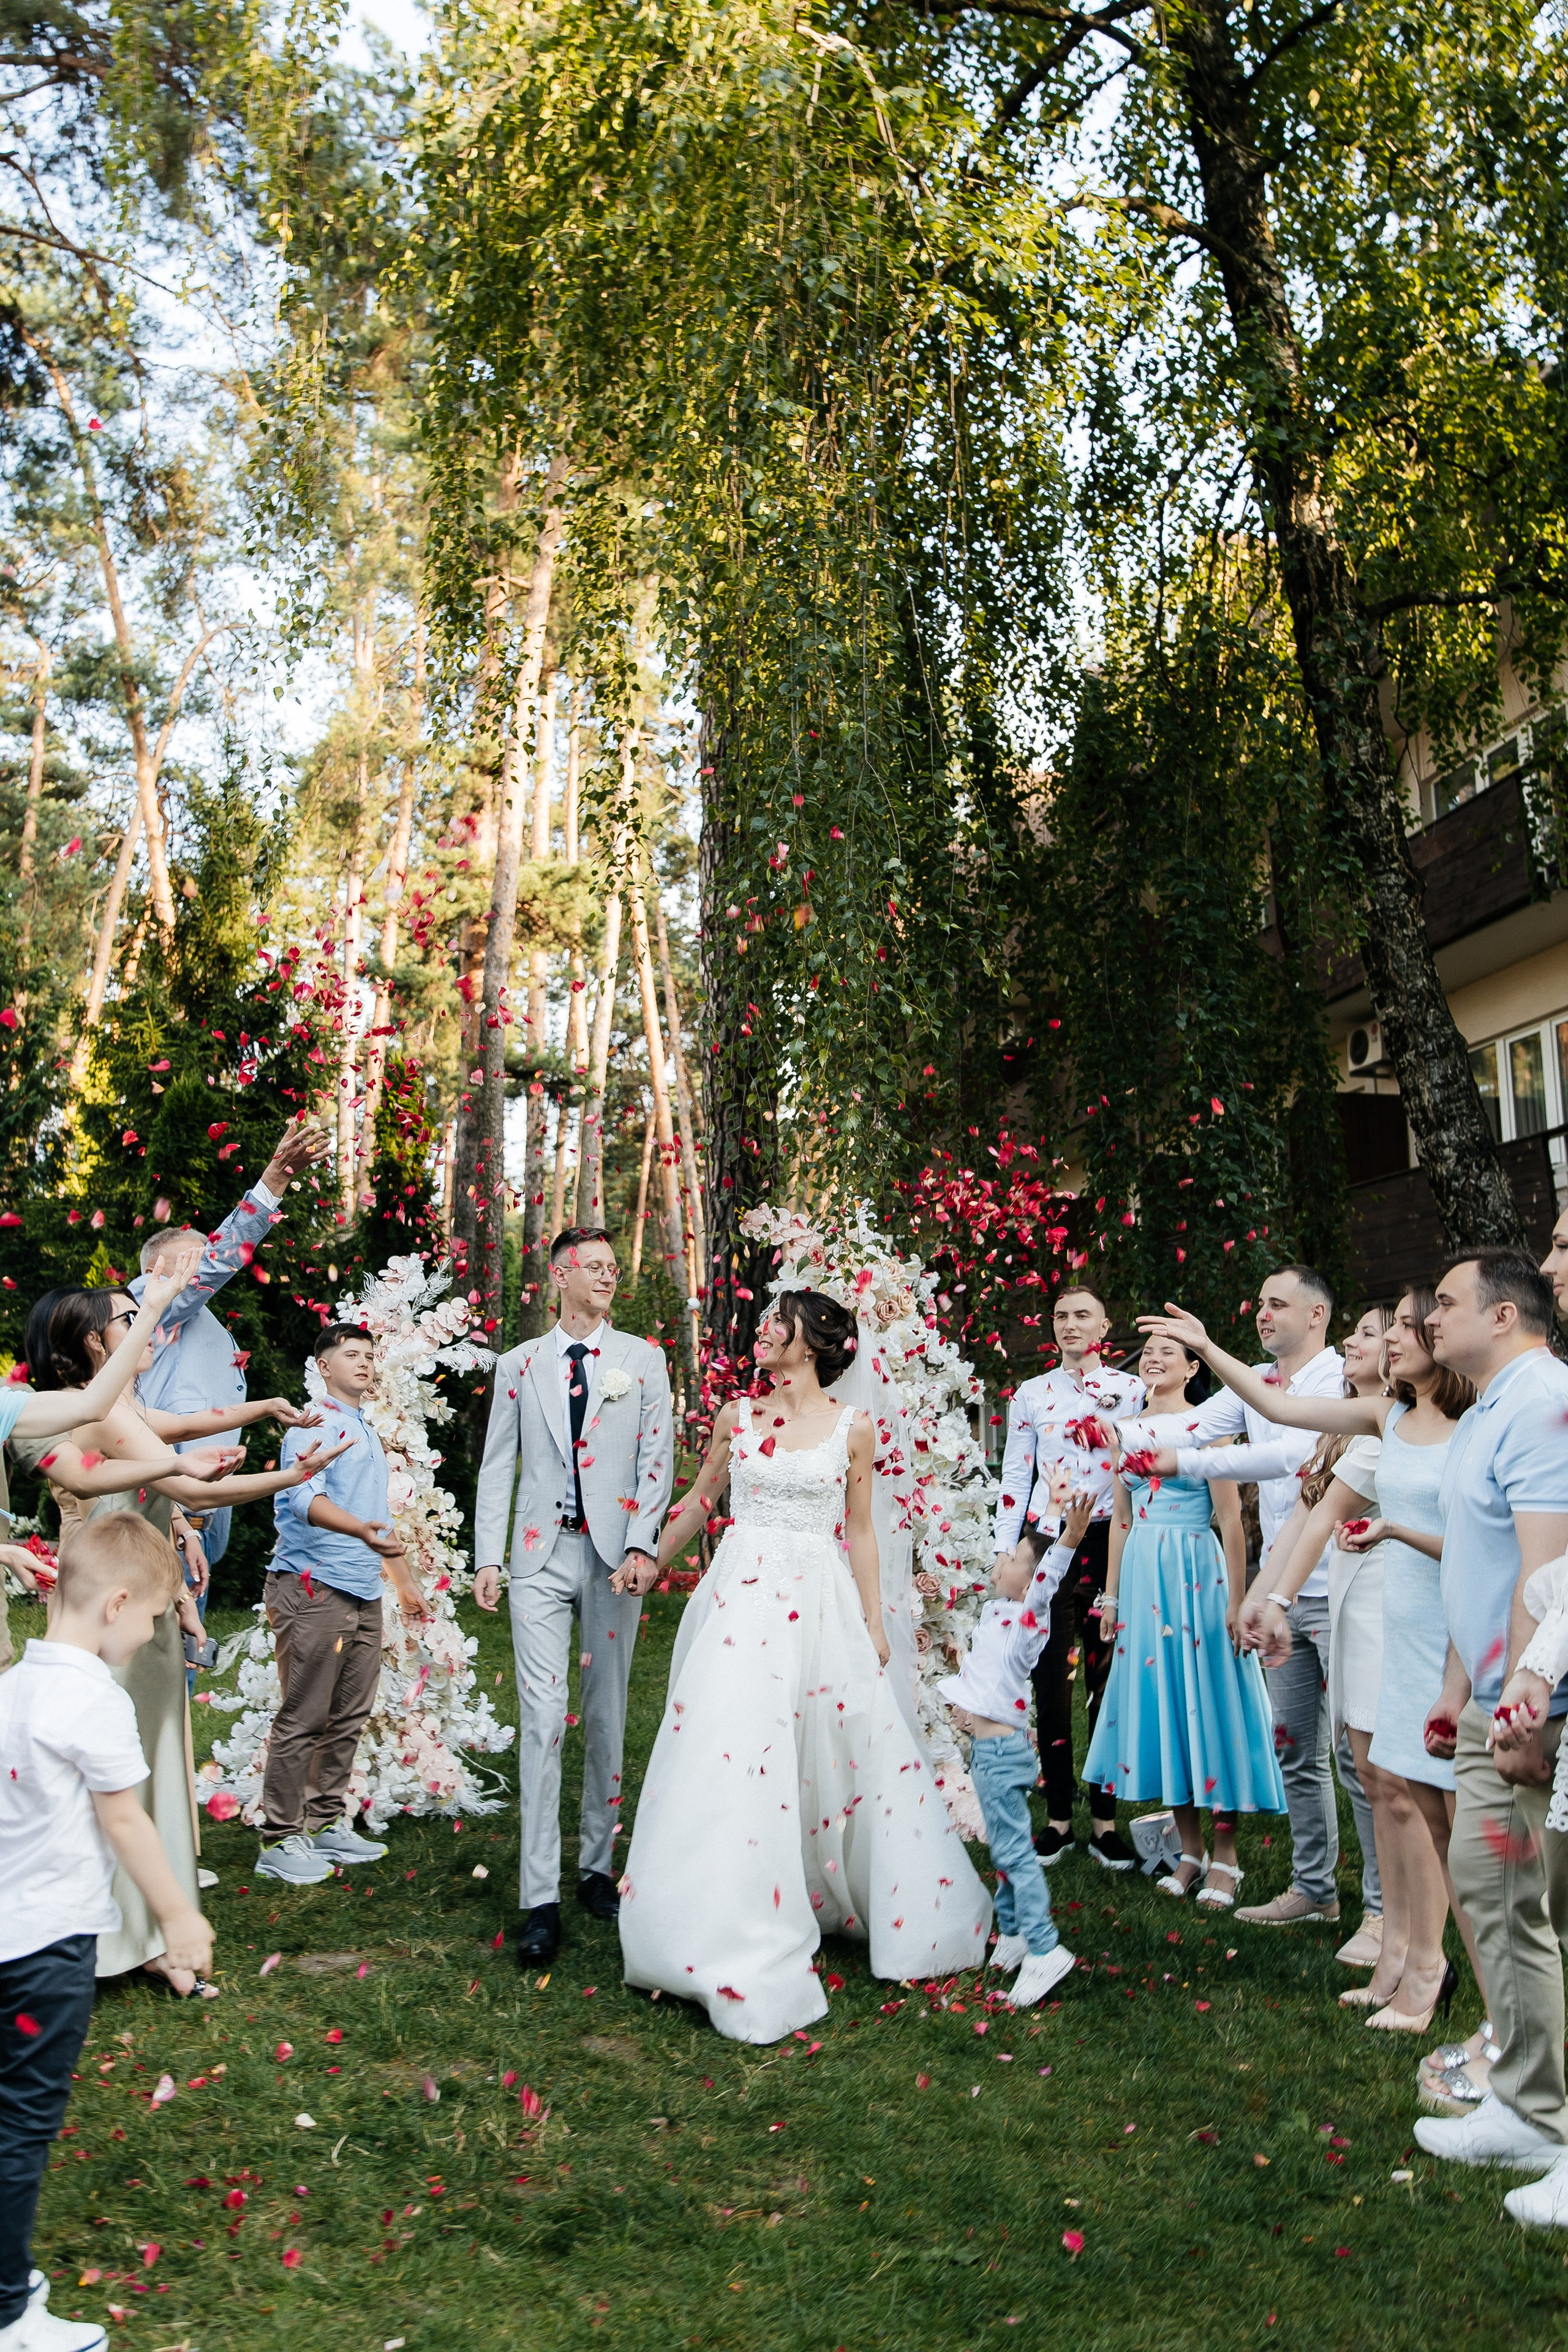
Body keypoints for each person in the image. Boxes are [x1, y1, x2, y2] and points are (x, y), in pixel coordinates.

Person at [619, 1289, 992, 2043]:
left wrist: (872, 1620)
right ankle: (719, 1910)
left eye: (776, 1320)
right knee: (730, 1746)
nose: (762, 1331)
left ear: (815, 1340)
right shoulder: (737, 1416)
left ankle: (839, 1891)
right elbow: (700, 1499)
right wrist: (650, 1559)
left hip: (819, 1604)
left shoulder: (854, 1429)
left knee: (833, 1750)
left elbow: (859, 1530)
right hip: (742, 1602)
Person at [13, 1287, 352, 1991]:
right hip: (115, 1605)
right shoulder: (101, 1408)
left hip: (141, 1595)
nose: (145, 1329)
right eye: (128, 1321)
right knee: (123, 1771)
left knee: (150, 1762)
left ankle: (142, 1937)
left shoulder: (123, 1405)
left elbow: (202, 1423)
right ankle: (131, 1941)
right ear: (94, 1345)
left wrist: (262, 1410)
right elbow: (190, 1487)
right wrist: (291, 1476)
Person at [1222, 1296, 1480, 2033]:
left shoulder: (1475, 1424)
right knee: (1390, 1792)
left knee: (1419, 1801)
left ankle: (1427, 1961)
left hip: (1440, 1629)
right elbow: (1280, 1407)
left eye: (1403, 1324)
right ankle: (1399, 1952)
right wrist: (1209, 1349)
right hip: (1390, 1618)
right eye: (1389, 1325)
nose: (1395, 1337)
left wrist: (1395, 1530)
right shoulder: (1386, 1418)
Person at [0, 1512, 214, 2352]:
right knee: (21, 2123)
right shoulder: (95, 1699)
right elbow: (126, 1824)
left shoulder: (14, 1682)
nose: (157, 1628)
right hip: (46, 1951)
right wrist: (180, 1917)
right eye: (157, 1615)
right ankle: (9, 2311)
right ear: (118, 1604)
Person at [1137, 1266, 1378, 1934]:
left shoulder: (1343, 1382)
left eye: (1278, 1304)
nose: (1263, 1314)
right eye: (1261, 1303)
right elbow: (1187, 1427)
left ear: (1317, 1315)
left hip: (1344, 1589)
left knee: (1358, 1757)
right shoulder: (1254, 1379)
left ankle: (1384, 1912)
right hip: (1284, 1594)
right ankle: (1314, 1889)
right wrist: (1108, 1439)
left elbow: (1288, 1461)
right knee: (1296, 1749)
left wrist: (1187, 1465)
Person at [1408, 1251, 1568, 2225]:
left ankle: (1545, 2110)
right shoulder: (1491, 1406)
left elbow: (1547, 1569)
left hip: (1528, 1706)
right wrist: (1459, 1686)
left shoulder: (1545, 1401)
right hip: (1488, 1695)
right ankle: (1526, 2103)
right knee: (1492, 1899)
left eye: (1450, 1304)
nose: (1432, 1319)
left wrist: (1523, 1705)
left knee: (1522, 1907)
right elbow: (1480, 1557)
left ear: (1503, 1315)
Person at [473, 1227, 675, 1967]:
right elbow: (498, 1463)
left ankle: (596, 1866)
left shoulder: (642, 1360)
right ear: (559, 1275)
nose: (608, 1277)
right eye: (594, 1267)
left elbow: (657, 1458)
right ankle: (539, 1899)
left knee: (606, 1710)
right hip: (536, 1557)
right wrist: (487, 1557)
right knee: (540, 1718)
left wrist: (641, 1544)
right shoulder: (519, 1365)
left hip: (613, 1559)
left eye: (614, 1269)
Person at [1083, 1330, 1283, 1905]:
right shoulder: (1123, 1430)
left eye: (1168, 1352)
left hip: (1197, 1572)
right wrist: (1112, 1599)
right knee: (1168, 1706)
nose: (1154, 1358)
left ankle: (1227, 1858)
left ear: (1194, 1365)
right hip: (1144, 1573)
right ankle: (1189, 1851)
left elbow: (1232, 1520)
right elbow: (1120, 1519)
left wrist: (1237, 1600)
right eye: (1148, 1352)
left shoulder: (1208, 1426)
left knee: (1208, 1703)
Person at [255, 1323, 432, 1887]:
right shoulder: (314, 1425)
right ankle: (280, 1837)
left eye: (369, 1355)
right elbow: (302, 1496)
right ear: (324, 1367)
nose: (364, 1363)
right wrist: (360, 1531)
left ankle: (324, 1818)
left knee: (349, 1714)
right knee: (304, 1714)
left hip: (361, 1589)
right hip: (313, 1587)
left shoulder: (364, 1428)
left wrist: (402, 1583)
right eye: (350, 1355)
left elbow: (377, 1516)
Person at [129, 1121, 333, 1583]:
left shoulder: (191, 1317)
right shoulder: (149, 1302)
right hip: (170, 1504)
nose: (209, 1266)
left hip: (201, 1506)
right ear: (154, 1270)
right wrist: (276, 1179)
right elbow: (223, 1258)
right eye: (195, 1259)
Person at [991, 1285, 1144, 1870]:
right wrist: (1009, 1549)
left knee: (1106, 1679)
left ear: (1104, 1328)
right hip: (1048, 1538)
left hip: (1109, 1538)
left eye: (1084, 1316)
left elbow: (1140, 1467)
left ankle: (1105, 1822)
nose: (1070, 1324)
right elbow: (1014, 1471)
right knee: (1049, 1677)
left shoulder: (1132, 1392)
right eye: (1061, 1316)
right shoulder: (1031, 1394)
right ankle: (1057, 1816)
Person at [941, 1480, 1094, 2007]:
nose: (999, 1556)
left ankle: (1045, 1948)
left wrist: (1069, 1538)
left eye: (1009, 1555)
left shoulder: (1030, 1619)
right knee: (1004, 1851)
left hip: (1003, 1757)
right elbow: (1037, 1556)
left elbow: (1047, 1576)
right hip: (989, 1756)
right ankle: (1012, 1933)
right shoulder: (999, 1613)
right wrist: (1051, 1508)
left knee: (1015, 1854)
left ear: (1025, 1581)